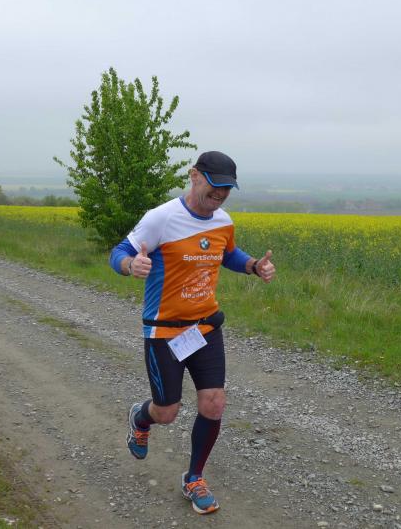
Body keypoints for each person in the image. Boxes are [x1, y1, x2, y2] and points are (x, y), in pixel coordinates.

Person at [109, 151, 276, 515]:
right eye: (215, 185)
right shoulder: (161, 218)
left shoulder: (223, 221)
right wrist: (130, 264)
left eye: (227, 189)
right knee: (167, 412)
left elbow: (227, 254)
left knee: (214, 402)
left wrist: (252, 265)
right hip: (164, 332)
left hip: (205, 328)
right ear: (194, 176)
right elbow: (118, 252)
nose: (220, 194)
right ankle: (141, 417)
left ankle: (194, 477)